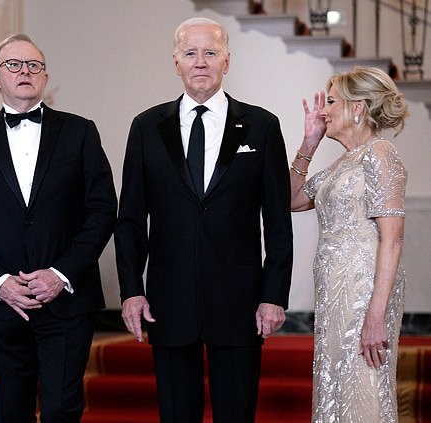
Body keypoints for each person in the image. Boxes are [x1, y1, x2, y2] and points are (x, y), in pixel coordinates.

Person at [114, 17, 293, 422]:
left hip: (241, 303)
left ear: (226, 61)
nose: (200, 62)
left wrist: (274, 294)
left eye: (210, 53)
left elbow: (278, 223)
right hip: (167, 300)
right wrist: (131, 289)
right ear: (175, 62)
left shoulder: (263, 126)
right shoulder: (145, 127)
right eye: (190, 53)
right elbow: (129, 219)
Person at [0, 34, 117, 423]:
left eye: (34, 65)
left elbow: (103, 210)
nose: (25, 72)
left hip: (68, 299)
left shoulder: (80, 131)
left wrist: (61, 274)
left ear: (45, 76)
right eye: (14, 65)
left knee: (61, 410)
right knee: (10, 410)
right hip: (5, 302)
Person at [291, 66, 409, 422]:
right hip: (334, 290)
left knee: (362, 379)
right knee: (336, 379)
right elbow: (290, 200)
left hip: (364, 291)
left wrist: (376, 315)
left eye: (330, 101)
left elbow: (393, 237)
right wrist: (308, 143)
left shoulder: (381, 153)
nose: (322, 110)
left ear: (358, 107)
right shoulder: (342, 162)